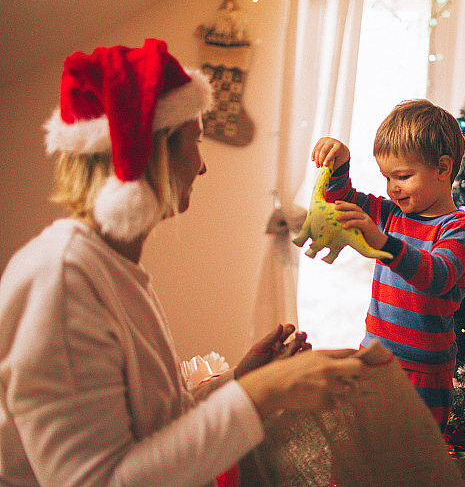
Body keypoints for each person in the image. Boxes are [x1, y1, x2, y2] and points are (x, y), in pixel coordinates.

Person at [0, 39, 368, 486]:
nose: (203, 165)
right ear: (154, 152)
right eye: (196, 140)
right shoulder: (63, 282)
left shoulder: (112, 267)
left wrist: (240, 380)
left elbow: (155, 430)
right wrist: (262, 394)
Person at [311, 99, 465, 431]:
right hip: (373, 357)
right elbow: (339, 202)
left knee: (414, 452)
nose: (393, 188)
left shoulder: (458, 227)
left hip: (424, 371)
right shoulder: (390, 213)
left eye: (403, 176)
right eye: (387, 177)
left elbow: (437, 275)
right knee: (364, 443)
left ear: (443, 168)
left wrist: (384, 243)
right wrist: (340, 164)